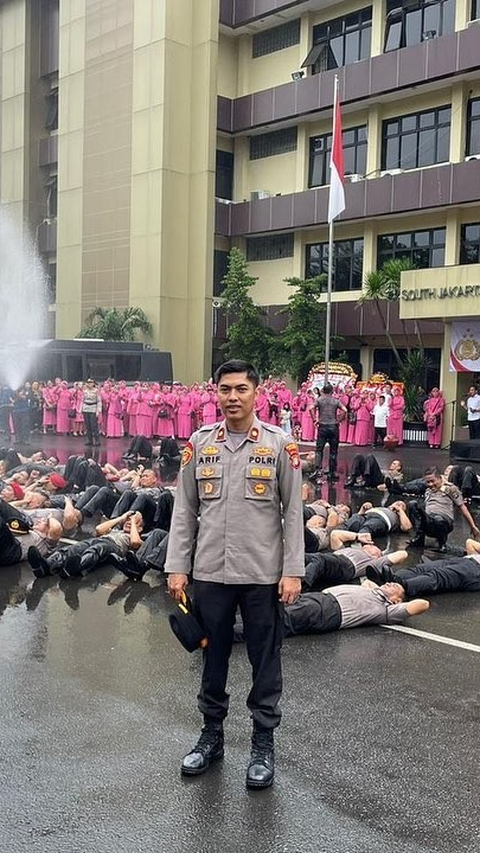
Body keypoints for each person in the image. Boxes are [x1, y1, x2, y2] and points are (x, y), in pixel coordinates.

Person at [165, 359, 304, 789]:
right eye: (225, 389)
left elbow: (293, 512)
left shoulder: (280, 446)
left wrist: (293, 571)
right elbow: (185, 510)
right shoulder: (200, 443)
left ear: (256, 393)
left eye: (241, 389)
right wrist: (176, 567)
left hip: (262, 574)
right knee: (213, 658)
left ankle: (263, 743)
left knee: (265, 659)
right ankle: (211, 736)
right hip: (210, 572)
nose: (232, 397)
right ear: (216, 393)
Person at [236, 582, 429, 639]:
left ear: (396, 600)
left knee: (273, 623)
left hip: (327, 611)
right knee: (267, 607)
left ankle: (220, 635)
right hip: (318, 598)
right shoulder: (370, 590)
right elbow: (368, 579)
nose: (390, 583)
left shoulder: (385, 609)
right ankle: (219, 624)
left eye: (395, 587)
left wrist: (395, 603)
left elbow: (422, 604)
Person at [366, 540, 480, 596]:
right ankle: (388, 579)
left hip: (474, 570)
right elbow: (470, 542)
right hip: (466, 560)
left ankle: (402, 586)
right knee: (422, 568)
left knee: (438, 576)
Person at [407, 466, 479, 550]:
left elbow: (463, 508)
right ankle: (419, 539)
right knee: (412, 504)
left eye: (433, 481)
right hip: (429, 521)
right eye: (428, 482)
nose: (430, 484)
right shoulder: (428, 491)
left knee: (438, 519)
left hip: (444, 522)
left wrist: (473, 527)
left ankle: (442, 542)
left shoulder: (450, 489)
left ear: (440, 478)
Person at [312, 383, 347, 482]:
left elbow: (311, 408)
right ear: (332, 391)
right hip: (333, 426)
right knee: (333, 451)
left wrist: (314, 419)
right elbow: (345, 409)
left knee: (319, 450)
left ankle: (318, 470)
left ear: (323, 391)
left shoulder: (319, 400)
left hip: (322, 426)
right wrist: (339, 419)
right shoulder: (336, 401)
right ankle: (332, 472)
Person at [82, 378, 102, 447]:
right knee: (88, 426)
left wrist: (98, 411)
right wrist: (81, 409)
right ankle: (89, 440)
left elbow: (99, 401)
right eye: (88, 382)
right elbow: (82, 401)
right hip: (86, 408)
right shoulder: (85, 391)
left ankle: (97, 440)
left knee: (94, 426)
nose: (89, 384)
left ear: (93, 383)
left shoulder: (96, 391)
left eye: (91, 382)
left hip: (93, 408)